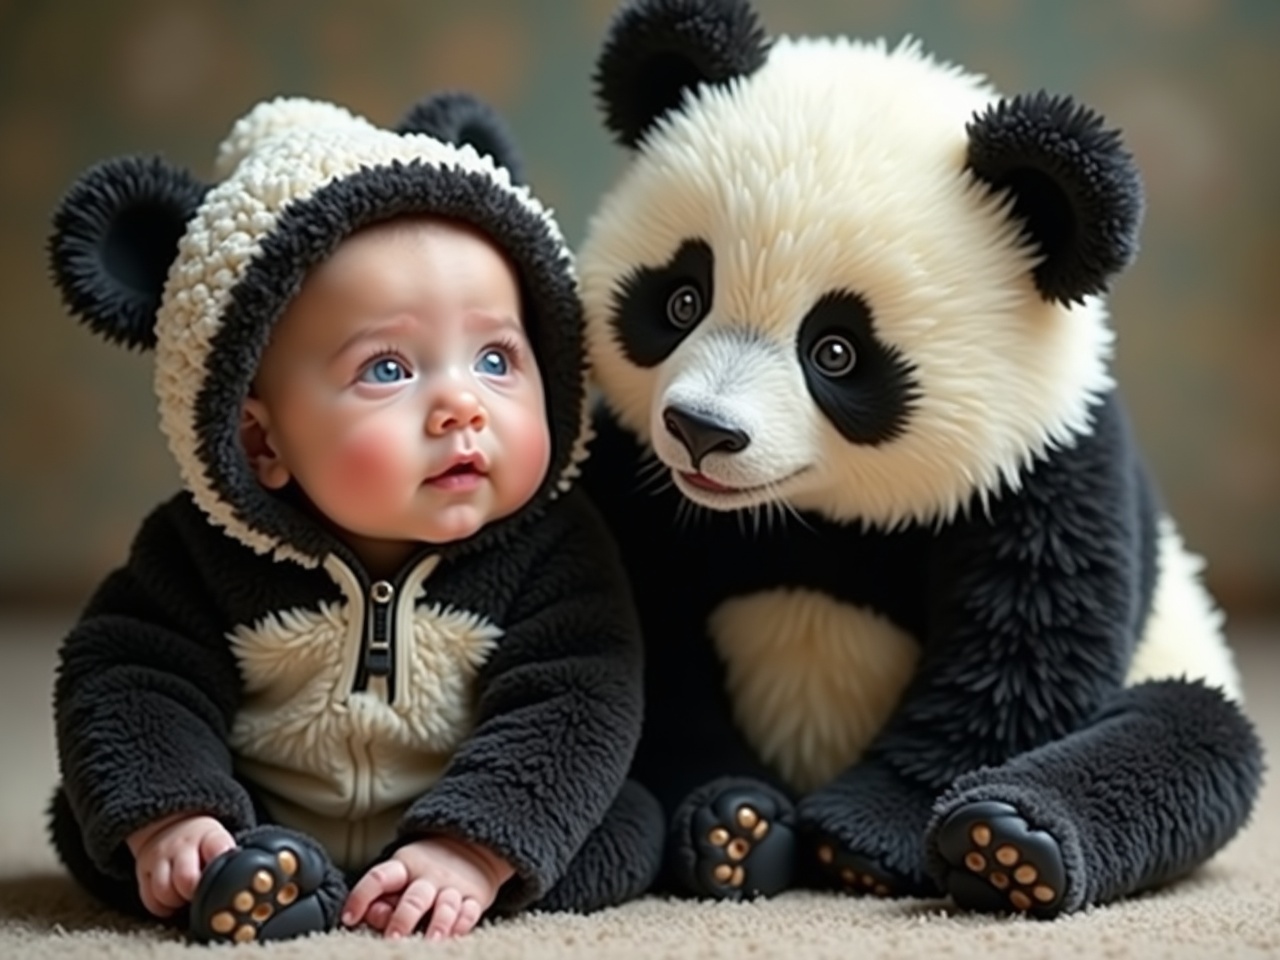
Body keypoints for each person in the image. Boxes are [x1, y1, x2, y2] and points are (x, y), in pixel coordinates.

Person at [45, 90, 663, 944]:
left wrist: (473, 849)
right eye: (387, 368)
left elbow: (578, 702)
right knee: (100, 823)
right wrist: (175, 816)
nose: (460, 405)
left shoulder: (554, 550)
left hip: (481, 801)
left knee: (627, 820)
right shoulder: (195, 551)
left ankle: (446, 875)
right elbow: (125, 678)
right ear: (260, 439)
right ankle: (250, 867)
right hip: (260, 810)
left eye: (495, 358)